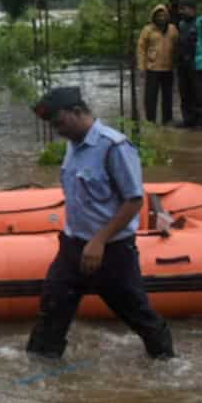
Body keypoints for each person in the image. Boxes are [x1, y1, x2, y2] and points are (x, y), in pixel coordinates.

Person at [26, 87, 175, 360]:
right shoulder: (73, 145)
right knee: (52, 309)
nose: (57, 130)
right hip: (73, 247)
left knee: (137, 312)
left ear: (78, 112)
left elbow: (133, 200)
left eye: (59, 123)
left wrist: (99, 240)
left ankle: (167, 363)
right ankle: (41, 372)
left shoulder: (114, 147)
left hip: (111, 251)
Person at [175, 0, 202, 130]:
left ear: (193, 9)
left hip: (199, 64)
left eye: (184, 9)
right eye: (180, 9)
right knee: (185, 93)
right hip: (183, 64)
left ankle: (201, 122)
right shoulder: (181, 24)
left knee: (200, 95)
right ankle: (188, 120)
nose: (181, 11)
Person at [136, 4, 179, 125]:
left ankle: (167, 120)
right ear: (154, 17)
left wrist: (178, 62)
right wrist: (141, 67)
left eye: (163, 15)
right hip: (152, 67)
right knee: (150, 97)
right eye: (158, 15)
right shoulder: (148, 30)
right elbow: (141, 49)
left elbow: (177, 46)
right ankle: (151, 121)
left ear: (167, 16)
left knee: (168, 96)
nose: (161, 17)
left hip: (168, 68)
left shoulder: (173, 29)